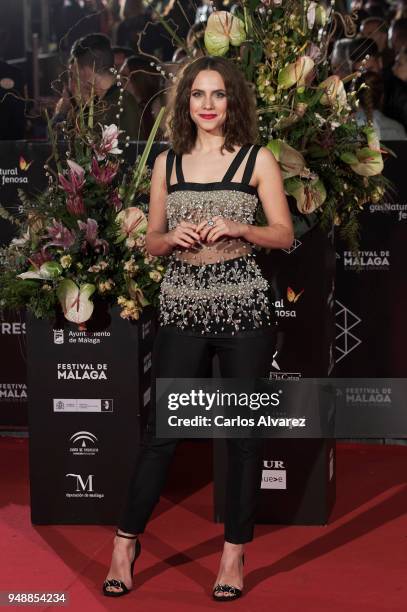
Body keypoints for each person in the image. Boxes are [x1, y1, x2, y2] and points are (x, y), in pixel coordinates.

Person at [102, 55, 294, 601]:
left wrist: (240, 226)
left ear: (233, 101)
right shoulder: (167, 162)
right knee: (160, 438)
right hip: (183, 307)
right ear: (184, 103)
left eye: (218, 95)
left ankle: (233, 554)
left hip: (244, 311)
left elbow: (283, 234)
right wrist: (172, 239)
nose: (207, 105)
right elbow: (151, 239)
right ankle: (125, 543)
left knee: (242, 441)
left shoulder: (258, 160)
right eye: (197, 95)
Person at [54, 33, 147, 139]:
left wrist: (62, 113)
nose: (73, 81)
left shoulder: (112, 106)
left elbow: (68, 146)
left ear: (84, 71)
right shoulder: (119, 100)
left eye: (73, 73)